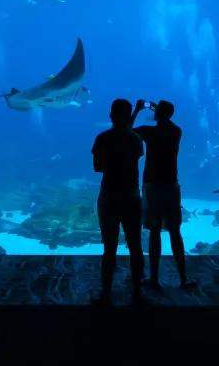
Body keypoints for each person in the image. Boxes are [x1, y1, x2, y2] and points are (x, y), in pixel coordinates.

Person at [131, 99, 197, 290]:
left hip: (152, 185)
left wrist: (137, 109)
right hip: (171, 185)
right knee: (175, 232)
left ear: (159, 113)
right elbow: (163, 122)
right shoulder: (176, 131)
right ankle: (183, 278)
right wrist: (157, 109)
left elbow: (127, 131)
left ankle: (153, 278)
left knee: (154, 232)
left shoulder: (149, 131)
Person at [91, 98, 146, 304]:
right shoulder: (136, 139)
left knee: (109, 248)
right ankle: (137, 290)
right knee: (135, 246)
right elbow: (128, 135)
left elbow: (97, 167)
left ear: (111, 115)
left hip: (108, 198)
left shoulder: (102, 138)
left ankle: (106, 291)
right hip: (131, 198)